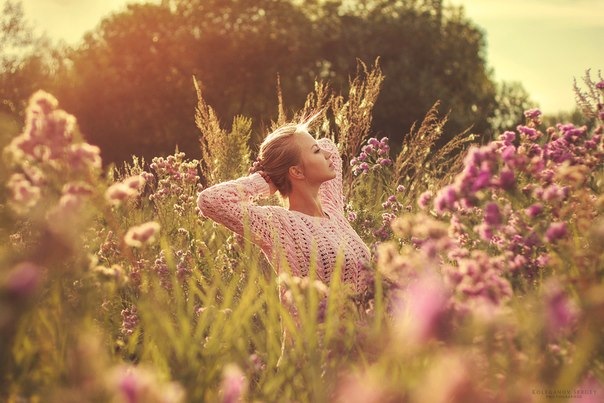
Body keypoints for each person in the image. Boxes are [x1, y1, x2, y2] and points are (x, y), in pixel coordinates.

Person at [196, 113, 372, 296]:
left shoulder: (332, 208)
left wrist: (303, 145)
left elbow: (330, 148)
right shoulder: (279, 224)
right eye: (317, 152)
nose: (326, 154)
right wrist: (262, 181)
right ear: (296, 171)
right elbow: (211, 200)